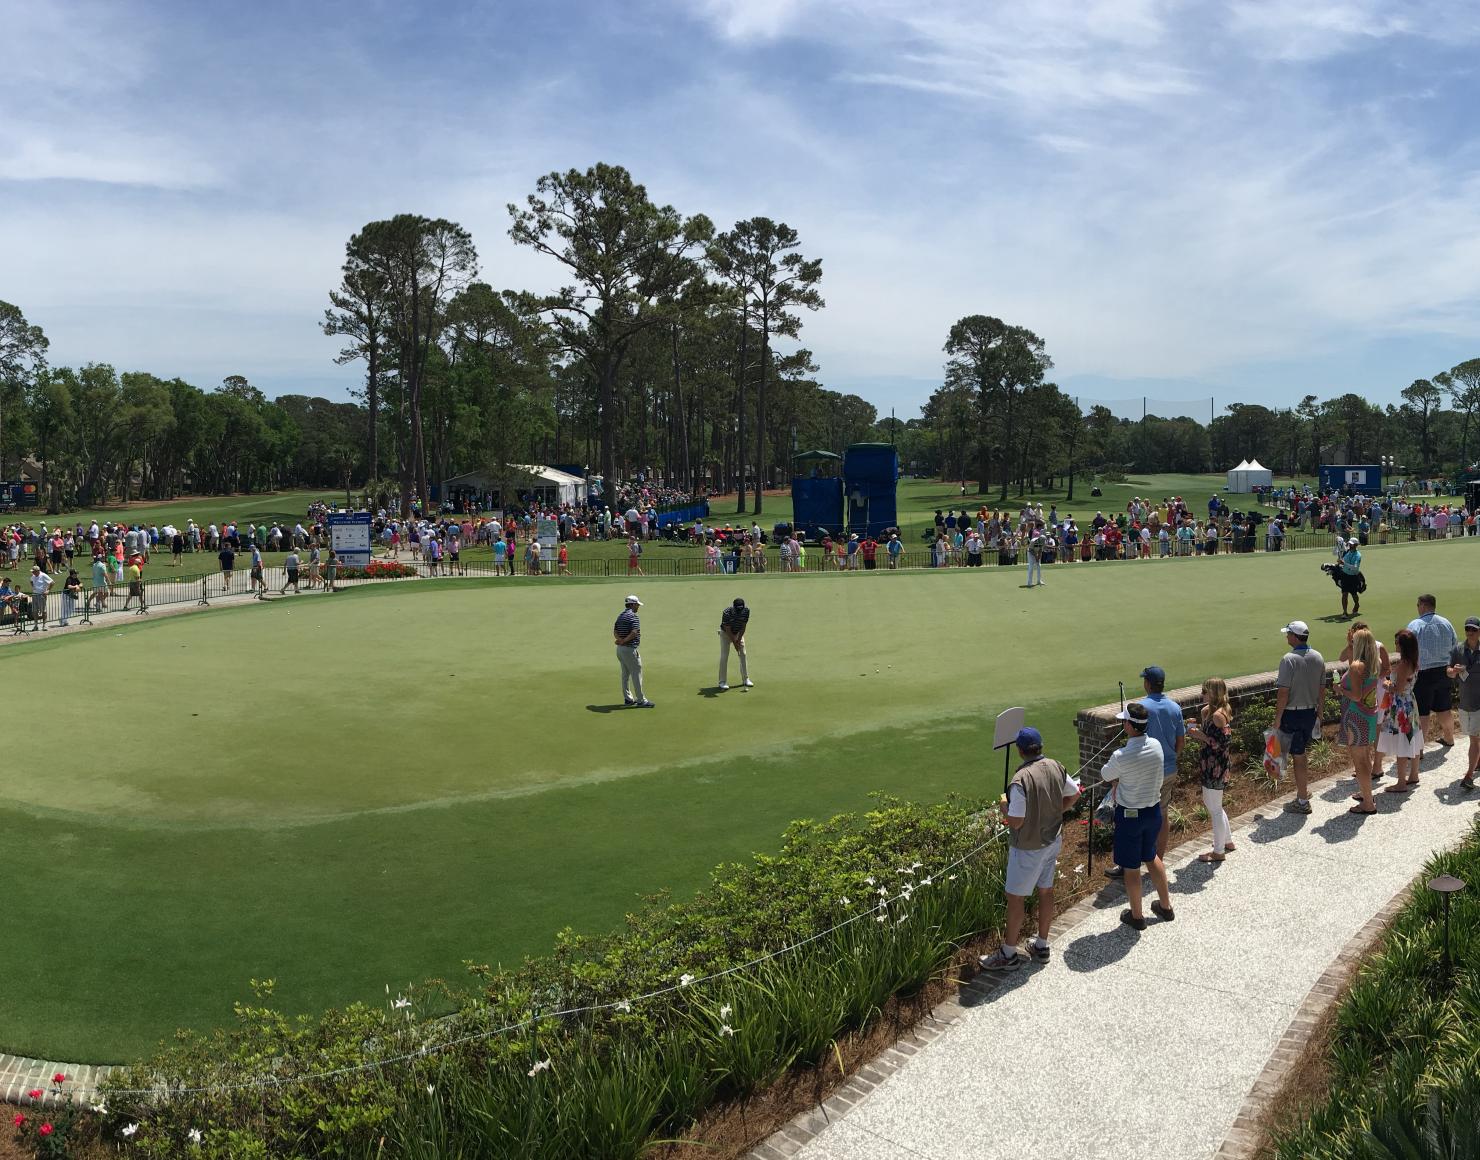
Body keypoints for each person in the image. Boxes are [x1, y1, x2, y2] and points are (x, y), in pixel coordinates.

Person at [978, 727, 1082, 971]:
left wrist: (1004, 806)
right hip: (1052, 840)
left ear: (1020, 750)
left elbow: (1016, 821)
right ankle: (1042, 944)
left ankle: (1009, 953)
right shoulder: (1056, 765)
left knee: (1015, 898)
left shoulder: (1020, 780)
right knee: (1046, 891)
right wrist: (1057, 811)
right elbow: (1074, 794)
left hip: (1027, 848)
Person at [1098, 702, 1175, 931]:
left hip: (1130, 816)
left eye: (1125, 721)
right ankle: (1166, 906)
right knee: (1151, 857)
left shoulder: (1121, 755)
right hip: (1153, 812)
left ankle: (1137, 915)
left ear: (1130, 725)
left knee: (1131, 867)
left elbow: (1105, 774)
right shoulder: (1156, 745)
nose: (1123, 724)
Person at [1276, 620, 1325, 815]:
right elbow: (1322, 690)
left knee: (1298, 756)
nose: (1286, 637)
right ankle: (1303, 790)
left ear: (1295, 637)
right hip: (1310, 713)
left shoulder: (1288, 659)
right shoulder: (1318, 657)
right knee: (1301, 753)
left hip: (1292, 714)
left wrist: (1277, 718)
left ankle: (1302, 800)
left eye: (1288, 634)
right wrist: (1320, 713)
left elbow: (1283, 693)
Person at [1185, 678, 1233, 861]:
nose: (1202, 694)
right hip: (1213, 765)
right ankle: (1227, 841)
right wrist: (1198, 729)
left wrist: (1200, 735)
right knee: (1216, 806)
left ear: (1213, 693)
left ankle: (1218, 851)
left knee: (1214, 808)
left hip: (1215, 767)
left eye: (1205, 691)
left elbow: (1220, 744)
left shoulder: (1218, 716)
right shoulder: (1213, 712)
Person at [1339, 620, 1391, 781]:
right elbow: (1342, 658)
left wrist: (1368, 681)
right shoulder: (1355, 651)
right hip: (1366, 696)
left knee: (1373, 733)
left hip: (1372, 694)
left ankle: (1376, 767)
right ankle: (1366, 772)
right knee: (1366, 740)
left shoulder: (1376, 649)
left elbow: (1386, 669)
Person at [1408, 594, 1458, 751]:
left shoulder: (1416, 625)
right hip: (1443, 671)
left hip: (1423, 674)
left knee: (1422, 712)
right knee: (1444, 709)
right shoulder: (1446, 623)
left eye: (1418, 605)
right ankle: (1449, 738)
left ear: (1423, 605)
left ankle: (1419, 750)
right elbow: (1454, 644)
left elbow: (1408, 647)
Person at [1339, 629, 1381, 814]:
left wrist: (1340, 690)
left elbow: (1355, 696)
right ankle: (1367, 794)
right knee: (1366, 757)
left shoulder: (1357, 666)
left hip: (1356, 716)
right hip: (1370, 715)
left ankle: (1368, 803)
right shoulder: (1376, 662)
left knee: (1360, 761)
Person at [1378, 628, 1423, 791]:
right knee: (1413, 738)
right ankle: (1413, 775)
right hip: (1410, 702)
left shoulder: (1404, 664)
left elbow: (1398, 688)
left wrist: (1387, 684)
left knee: (1402, 741)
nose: (1395, 644)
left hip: (1401, 705)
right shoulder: (1413, 662)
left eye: (1397, 642)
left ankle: (1401, 783)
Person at [1447, 616, 1480, 790]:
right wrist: (1454, 671)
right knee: (1474, 737)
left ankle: (1468, 776)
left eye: (1474, 629)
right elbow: (1448, 671)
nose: (1470, 632)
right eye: (1468, 629)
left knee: (1474, 739)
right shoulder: (1458, 649)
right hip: (1466, 702)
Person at [613, 594, 653, 708]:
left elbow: (615, 630)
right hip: (629, 650)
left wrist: (620, 641)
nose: (638, 607)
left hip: (620, 650)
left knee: (625, 675)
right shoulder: (633, 616)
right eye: (637, 605)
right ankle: (641, 700)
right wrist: (624, 641)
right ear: (633, 604)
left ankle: (628, 699)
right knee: (636, 674)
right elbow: (634, 632)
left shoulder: (621, 615)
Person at [717, 597, 752, 691]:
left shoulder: (746, 611)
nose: (739, 611)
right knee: (724, 656)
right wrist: (734, 641)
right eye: (737, 610)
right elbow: (727, 629)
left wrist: (739, 639)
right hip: (725, 634)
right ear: (734, 607)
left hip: (738, 633)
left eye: (741, 609)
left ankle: (746, 679)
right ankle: (722, 682)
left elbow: (743, 626)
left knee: (743, 654)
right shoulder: (727, 612)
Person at [1336, 537, 1364, 617]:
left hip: (1353, 577)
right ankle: (1345, 612)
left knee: (1354, 594)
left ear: (1355, 545)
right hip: (1345, 575)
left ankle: (1357, 604)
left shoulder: (1358, 555)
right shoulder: (1348, 552)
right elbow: (1343, 561)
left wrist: (1344, 563)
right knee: (1344, 593)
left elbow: (1355, 568)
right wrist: (1339, 563)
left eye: (1351, 544)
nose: (1350, 545)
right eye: (1349, 544)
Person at [28, 564, 53, 629]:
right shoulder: (33, 576)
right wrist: (33, 587)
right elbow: (31, 581)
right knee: (35, 611)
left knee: (43, 611)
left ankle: (44, 625)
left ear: (37, 571)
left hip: (41, 595)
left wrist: (47, 590)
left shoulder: (43, 575)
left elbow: (52, 582)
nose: (32, 572)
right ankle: (36, 625)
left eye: (33, 571)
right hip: (35, 595)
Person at [1025, 522, 1046, 588]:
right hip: (1030, 553)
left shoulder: (1042, 542)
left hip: (1036, 553)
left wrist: (1038, 557)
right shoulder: (1033, 541)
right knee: (1031, 567)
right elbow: (1031, 550)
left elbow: (1040, 550)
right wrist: (1036, 556)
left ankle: (1039, 580)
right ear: (1039, 538)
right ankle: (1029, 582)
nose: (1043, 542)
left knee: (1039, 566)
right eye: (1042, 540)